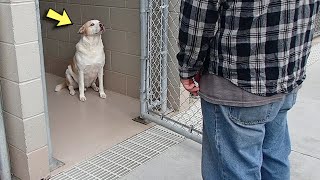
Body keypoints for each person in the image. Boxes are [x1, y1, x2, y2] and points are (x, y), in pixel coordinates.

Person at [177, 0, 320, 179]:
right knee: (274, 159)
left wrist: (188, 67)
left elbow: (197, 19)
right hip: (286, 78)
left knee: (235, 171)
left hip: (236, 83)